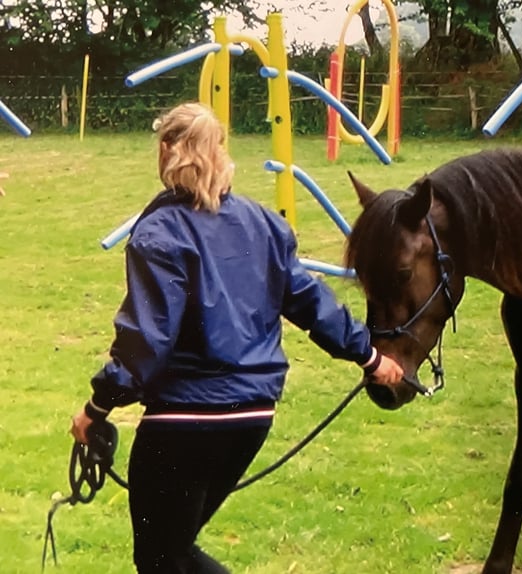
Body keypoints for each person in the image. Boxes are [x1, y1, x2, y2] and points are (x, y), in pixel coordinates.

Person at [70, 102, 402, 574]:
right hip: (251, 418)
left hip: (184, 422)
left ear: (167, 149)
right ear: (221, 150)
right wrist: (370, 357)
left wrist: (95, 409)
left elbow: (147, 341)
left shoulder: (160, 232)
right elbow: (311, 301)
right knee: (174, 554)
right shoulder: (265, 223)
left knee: (163, 559)